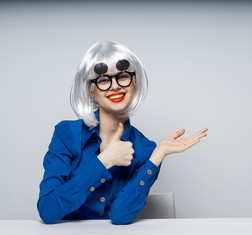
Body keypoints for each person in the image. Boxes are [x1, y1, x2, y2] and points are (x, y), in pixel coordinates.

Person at [37, 41, 208, 225]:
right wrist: (104, 161)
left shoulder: (146, 149)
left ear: (134, 83)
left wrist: (158, 155)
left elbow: (119, 216)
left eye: (123, 76)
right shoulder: (66, 135)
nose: (115, 86)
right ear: (90, 89)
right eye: (103, 80)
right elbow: (48, 210)